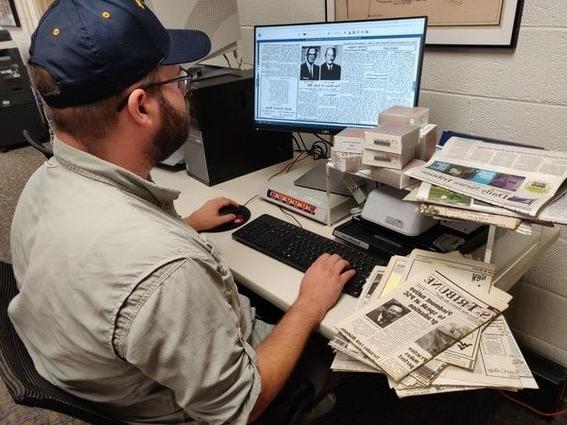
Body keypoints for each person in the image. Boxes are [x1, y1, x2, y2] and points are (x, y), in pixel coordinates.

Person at [8, 1, 355, 424]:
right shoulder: (166, 271)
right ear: (141, 107)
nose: (185, 92)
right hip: (198, 403)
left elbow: (104, 266)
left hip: (103, 368)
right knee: (334, 335)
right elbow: (240, 407)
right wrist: (309, 305)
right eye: (179, 81)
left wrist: (184, 225)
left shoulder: (45, 181)